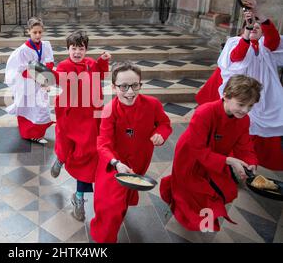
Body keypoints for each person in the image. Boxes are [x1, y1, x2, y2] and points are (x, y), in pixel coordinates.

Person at [160, 75, 261, 232]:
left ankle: (195, 213)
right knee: (192, 189)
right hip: (190, 155)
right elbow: (197, 149)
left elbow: (245, 146)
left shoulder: (243, 120)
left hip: (217, 158)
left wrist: (250, 162)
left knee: (220, 191)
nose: (245, 110)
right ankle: (187, 211)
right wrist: (229, 161)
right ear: (226, 96)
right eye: (241, 104)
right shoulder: (204, 112)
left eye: (250, 106)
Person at [196, 0, 283, 171]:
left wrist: (260, 16)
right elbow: (237, 56)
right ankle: (231, 161)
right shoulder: (236, 42)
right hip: (242, 91)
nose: (254, 29)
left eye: (258, 28)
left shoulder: (268, 46)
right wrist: (247, 33)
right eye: (251, 27)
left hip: (263, 94)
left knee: (259, 130)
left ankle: (251, 160)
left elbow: (273, 38)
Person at [89, 62, 172, 243]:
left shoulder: (153, 104)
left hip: (138, 162)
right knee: (109, 206)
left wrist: (161, 134)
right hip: (113, 166)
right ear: (113, 87)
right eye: (123, 86)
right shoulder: (109, 110)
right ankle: (103, 239)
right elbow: (103, 144)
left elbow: (165, 124)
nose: (130, 92)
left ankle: (115, 222)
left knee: (122, 201)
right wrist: (116, 163)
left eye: (135, 85)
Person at [50, 30, 111, 221]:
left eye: (81, 48)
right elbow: (56, 77)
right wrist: (44, 76)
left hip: (90, 117)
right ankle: (60, 158)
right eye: (73, 48)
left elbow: (100, 72)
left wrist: (103, 61)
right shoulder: (64, 65)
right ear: (68, 49)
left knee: (87, 155)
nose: (77, 52)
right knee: (65, 144)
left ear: (86, 49)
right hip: (70, 115)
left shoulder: (91, 63)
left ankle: (79, 197)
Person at [4, 17, 54, 144]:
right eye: (35, 32)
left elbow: (49, 62)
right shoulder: (23, 50)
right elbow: (24, 71)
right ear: (28, 31)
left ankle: (38, 132)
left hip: (40, 82)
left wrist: (45, 79)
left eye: (40, 32)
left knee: (41, 108)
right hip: (28, 83)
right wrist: (42, 77)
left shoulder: (46, 46)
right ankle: (29, 133)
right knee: (27, 107)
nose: (38, 35)